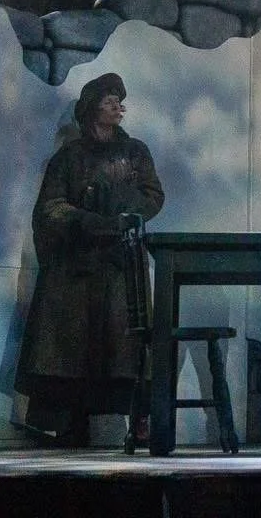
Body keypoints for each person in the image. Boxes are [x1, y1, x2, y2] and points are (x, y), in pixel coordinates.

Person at [15, 73, 164, 446]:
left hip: (119, 262)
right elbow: (51, 206)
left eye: (119, 99)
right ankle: (68, 424)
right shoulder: (69, 158)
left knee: (125, 347)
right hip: (77, 266)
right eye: (109, 98)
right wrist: (86, 220)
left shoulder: (136, 153)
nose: (117, 105)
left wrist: (123, 216)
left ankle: (139, 419)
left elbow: (152, 195)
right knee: (70, 348)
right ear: (91, 107)